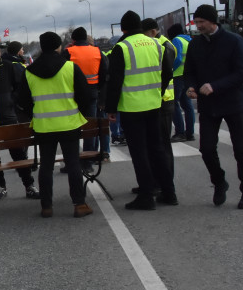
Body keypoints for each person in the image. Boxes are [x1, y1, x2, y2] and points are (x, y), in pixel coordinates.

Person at [184, 4, 243, 209]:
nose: (198, 26)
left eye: (202, 22)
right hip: (208, 105)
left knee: (241, 150)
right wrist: (190, 86)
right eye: (196, 22)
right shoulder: (195, 44)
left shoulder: (234, 41)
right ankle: (219, 182)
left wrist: (214, 86)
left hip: (233, 103)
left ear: (213, 21)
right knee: (206, 148)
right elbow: (189, 70)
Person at [105, 11, 176, 210]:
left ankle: (146, 195)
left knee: (139, 152)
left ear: (123, 29)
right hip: (154, 105)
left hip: (132, 108)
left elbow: (115, 81)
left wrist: (111, 108)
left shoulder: (122, 47)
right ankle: (169, 192)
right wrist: (157, 92)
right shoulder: (156, 44)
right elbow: (167, 72)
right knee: (158, 148)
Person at [18, 32, 94, 218]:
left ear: (42, 47)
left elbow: (22, 100)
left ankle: (46, 206)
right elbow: (87, 96)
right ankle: (79, 204)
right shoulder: (70, 67)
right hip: (69, 124)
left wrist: (35, 114)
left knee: (46, 166)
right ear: (59, 46)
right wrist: (79, 112)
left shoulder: (29, 71)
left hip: (43, 126)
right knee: (73, 164)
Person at [0, 39, 36, 200]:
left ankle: (29, 185)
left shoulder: (9, 67)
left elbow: (22, 88)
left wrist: (13, 101)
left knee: (18, 153)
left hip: (8, 117)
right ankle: (0, 187)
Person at [64, 27, 108, 163]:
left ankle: (72, 161)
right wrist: (97, 89)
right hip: (92, 92)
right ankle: (88, 161)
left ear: (73, 39)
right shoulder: (97, 51)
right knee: (90, 127)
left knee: (72, 128)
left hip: (73, 93)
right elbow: (104, 73)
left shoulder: (68, 52)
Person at [143, 18, 177, 176]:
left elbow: (165, 74)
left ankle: (166, 182)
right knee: (154, 144)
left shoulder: (164, 46)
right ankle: (156, 180)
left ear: (153, 32)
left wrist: (157, 92)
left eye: (144, 34)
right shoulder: (158, 45)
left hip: (164, 100)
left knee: (163, 145)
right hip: (157, 100)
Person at [167, 23, 195, 142]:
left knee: (174, 104)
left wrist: (170, 69)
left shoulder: (177, 40)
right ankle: (190, 133)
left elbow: (177, 58)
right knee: (187, 105)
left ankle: (180, 132)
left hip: (178, 75)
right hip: (187, 76)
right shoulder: (189, 40)